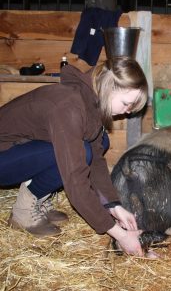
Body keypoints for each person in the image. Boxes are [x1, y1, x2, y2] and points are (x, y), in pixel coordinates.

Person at [0, 56, 148, 256]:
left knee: (98, 144)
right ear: (109, 88)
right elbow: (75, 179)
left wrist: (113, 205)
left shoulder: (91, 101)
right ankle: (22, 212)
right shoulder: (68, 107)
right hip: (4, 155)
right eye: (126, 104)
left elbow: (96, 159)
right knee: (78, 153)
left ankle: (38, 195)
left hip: (19, 149)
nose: (127, 112)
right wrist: (119, 234)